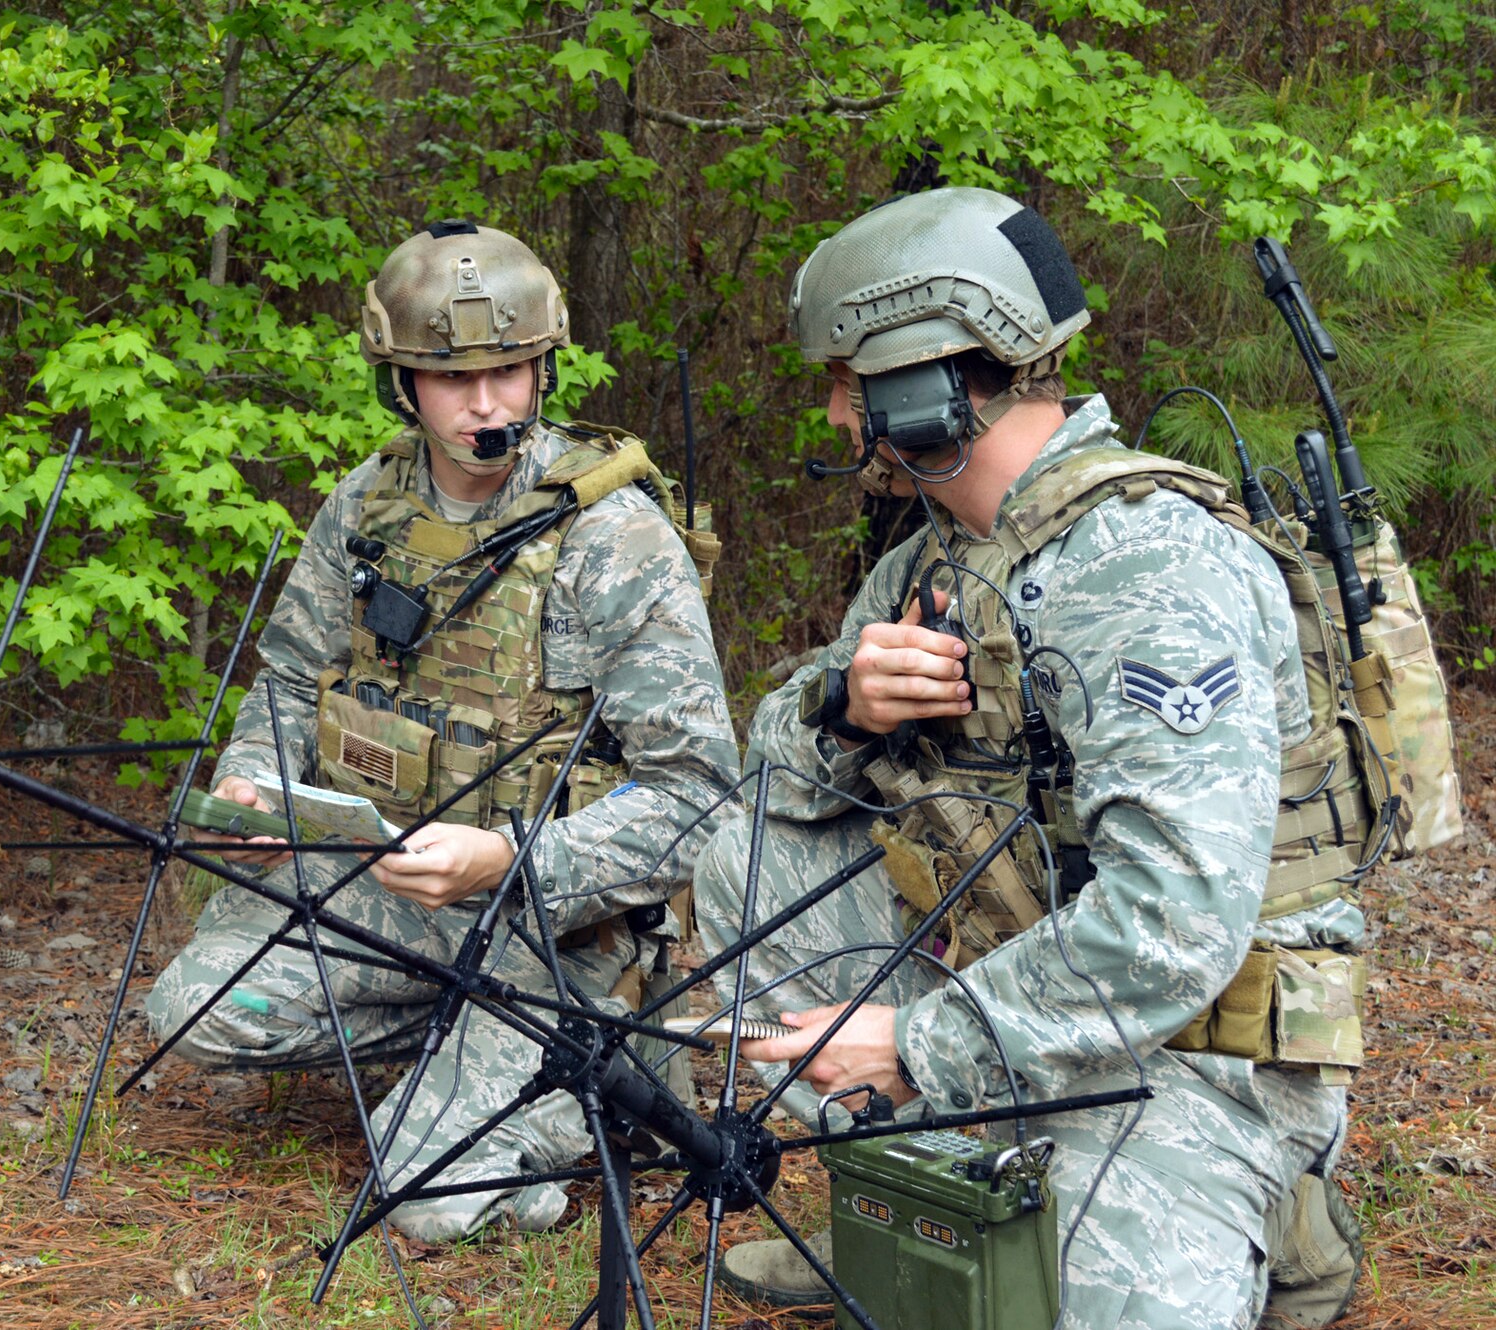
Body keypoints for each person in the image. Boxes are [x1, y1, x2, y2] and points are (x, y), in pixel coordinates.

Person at [698, 187, 1371, 1327]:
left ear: (921, 385)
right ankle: (917, 1196)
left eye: (846, 384)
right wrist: (842, 708)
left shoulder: (1146, 570)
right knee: (743, 857)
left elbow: (1171, 925)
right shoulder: (938, 553)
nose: (829, 416)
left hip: (1192, 1047)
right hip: (1023, 990)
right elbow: (767, 775)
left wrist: (919, 1045)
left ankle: (1268, 1201)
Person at [145, 220, 738, 1240]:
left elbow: (694, 793)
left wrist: (510, 857)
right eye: (449, 377)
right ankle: (466, 1057)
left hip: (556, 926)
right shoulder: (365, 509)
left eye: (509, 371)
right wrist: (252, 779)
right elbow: (288, 679)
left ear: (542, 367)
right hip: (388, 894)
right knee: (199, 1010)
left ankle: (602, 1073)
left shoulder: (614, 537)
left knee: (422, 1197)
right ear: (400, 382)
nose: (483, 403)